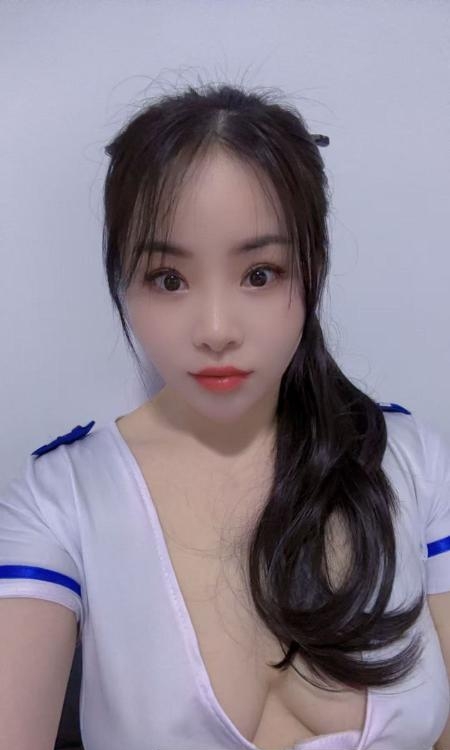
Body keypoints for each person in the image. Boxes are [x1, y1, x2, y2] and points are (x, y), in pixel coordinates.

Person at [1, 81, 449, 750]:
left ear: (313, 269)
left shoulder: (413, 464)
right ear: (123, 281)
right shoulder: (59, 503)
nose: (215, 330)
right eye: (169, 279)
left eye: (260, 274)